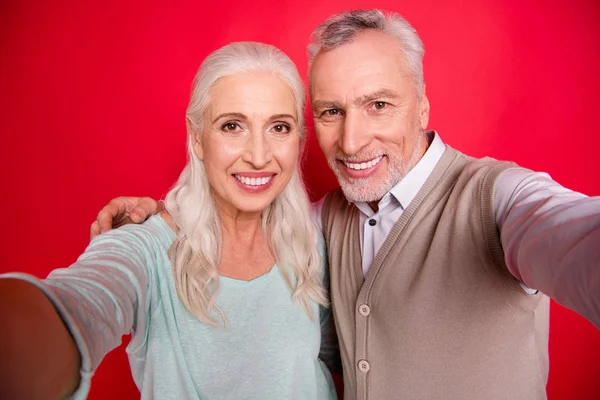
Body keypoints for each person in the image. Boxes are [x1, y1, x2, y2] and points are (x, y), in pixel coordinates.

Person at [92, 9, 600, 400]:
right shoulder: (321, 222)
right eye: (331, 112)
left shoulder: (500, 201)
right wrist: (160, 215)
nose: (352, 141)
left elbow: (572, 233)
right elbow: (242, 213)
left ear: (421, 105)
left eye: (378, 104)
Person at [0, 41, 340, 400]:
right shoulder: (145, 248)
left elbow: (339, 354)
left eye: (279, 128)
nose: (258, 156)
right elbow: (80, 302)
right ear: (196, 138)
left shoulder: (312, 236)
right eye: (231, 126)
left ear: (299, 140)